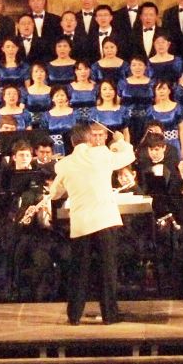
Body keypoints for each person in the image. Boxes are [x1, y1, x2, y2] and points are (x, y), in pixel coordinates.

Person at [49, 122, 134, 325]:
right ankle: (109, 316)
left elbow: (54, 193)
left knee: (79, 270)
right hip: (105, 220)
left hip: (81, 224)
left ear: (71, 142)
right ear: (89, 139)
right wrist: (121, 141)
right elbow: (129, 155)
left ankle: (75, 315)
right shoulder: (102, 154)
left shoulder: (63, 164)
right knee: (108, 269)